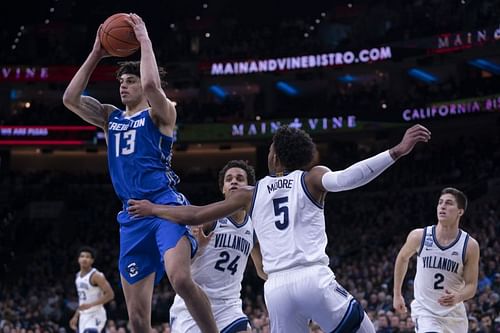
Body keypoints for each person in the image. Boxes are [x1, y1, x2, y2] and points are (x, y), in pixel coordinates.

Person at [128, 124, 431, 333]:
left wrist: (153, 208)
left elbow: (194, 214)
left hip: (276, 289)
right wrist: (397, 151)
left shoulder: (252, 192)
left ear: (275, 155)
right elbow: (349, 177)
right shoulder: (312, 178)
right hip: (312, 277)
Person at [62, 13, 218, 333]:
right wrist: (96, 52)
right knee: (136, 321)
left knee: (180, 279)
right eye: (120, 81)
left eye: (128, 81)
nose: (123, 85)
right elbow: (70, 98)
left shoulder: (162, 113)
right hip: (131, 215)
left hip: (165, 206)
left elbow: (150, 83)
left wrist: (144, 39)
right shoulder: (110, 117)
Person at [170, 160, 266, 333]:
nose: (234, 181)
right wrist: (196, 250)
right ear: (223, 188)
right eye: (229, 179)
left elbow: (262, 270)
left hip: (229, 306)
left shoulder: (254, 226)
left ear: (250, 188)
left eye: (239, 178)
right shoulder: (209, 219)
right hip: (194, 304)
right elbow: (178, 262)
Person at [393, 187, 480, 333]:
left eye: (449, 203)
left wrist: (459, 296)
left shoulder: (470, 245)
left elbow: (471, 286)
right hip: (425, 311)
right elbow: (402, 258)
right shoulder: (419, 236)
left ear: (460, 211)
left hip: (454, 315)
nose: (443, 206)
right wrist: (397, 294)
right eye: (440, 202)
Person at [69, 246, 115, 333]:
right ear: (78, 259)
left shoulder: (96, 276)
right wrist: (76, 316)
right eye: (82, 256)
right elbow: (82, 300)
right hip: (84, 316)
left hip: (96, 314)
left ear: (92, 261)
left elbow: (110, 295)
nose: (84, 259)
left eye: (87, 257)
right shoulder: (77, 276)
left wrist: (91, 305)